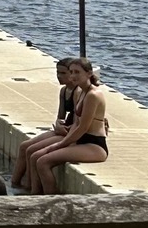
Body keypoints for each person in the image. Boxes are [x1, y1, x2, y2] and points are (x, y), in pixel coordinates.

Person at [29, 59, 109, 193]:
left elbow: (83, 127)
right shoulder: (82, 92)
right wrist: (64, 139)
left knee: (43, 162)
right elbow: (76, 124)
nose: (73, 76)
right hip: (80, 142)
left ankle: (50, 200)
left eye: (77, 72)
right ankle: (33, 194)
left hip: (94, 146)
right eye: (71, 72)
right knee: (37, 156)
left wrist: (60, 145)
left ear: (89, 73)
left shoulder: (93, 95)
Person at [12, 58, 81, 193]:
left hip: (70, 133)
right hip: (62, 129)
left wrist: (65, 132)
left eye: (63, 73)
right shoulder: (63, 91)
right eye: (57, 73)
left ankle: (33, 190)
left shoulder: (77, 92)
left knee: (33, 153)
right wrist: (58, 125)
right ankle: (15, 184)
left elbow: (79, 121)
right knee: (24, 146)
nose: (59, 76)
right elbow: (60, 116)